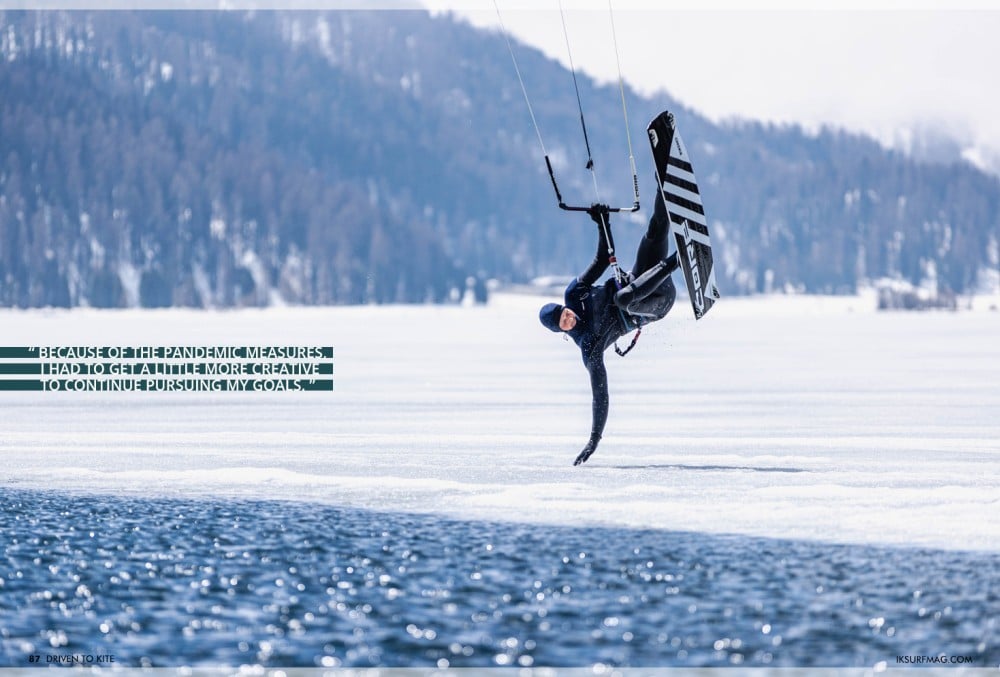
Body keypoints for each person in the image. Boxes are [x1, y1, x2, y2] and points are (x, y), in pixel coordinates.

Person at [539, 190, 679, 465]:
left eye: (564, 313)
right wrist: (594, 438)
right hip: (657, 304)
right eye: (563, 323)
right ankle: (678, 259)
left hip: (646, 278)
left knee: (653, 233)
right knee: (623, 299)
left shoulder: (574, 293)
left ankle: (664, 182)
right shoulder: (589, 347)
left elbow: (603, 259)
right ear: (562, 332)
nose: (568, 318)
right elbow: (600, 394)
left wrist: (601, 222)